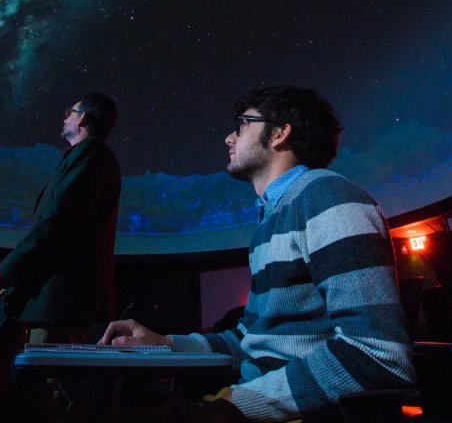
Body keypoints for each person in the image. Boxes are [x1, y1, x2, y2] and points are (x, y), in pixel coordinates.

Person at [99, 86, 415, 422]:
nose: (228, 138)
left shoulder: (328, 197)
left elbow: (378, 355)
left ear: (280, 133)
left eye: (242, 125)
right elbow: (247, 338)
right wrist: (164, 343)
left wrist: (238, 405)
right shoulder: (271, 221)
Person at [0, 91, 121, 417]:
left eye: (70, 111)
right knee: (46, 391)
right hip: (53, 302)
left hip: (55, 304)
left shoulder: (90, 154)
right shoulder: (85, 157)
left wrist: (2, 274)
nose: (64, 117)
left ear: (83, 119)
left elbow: (54, 223)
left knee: (52, 395)